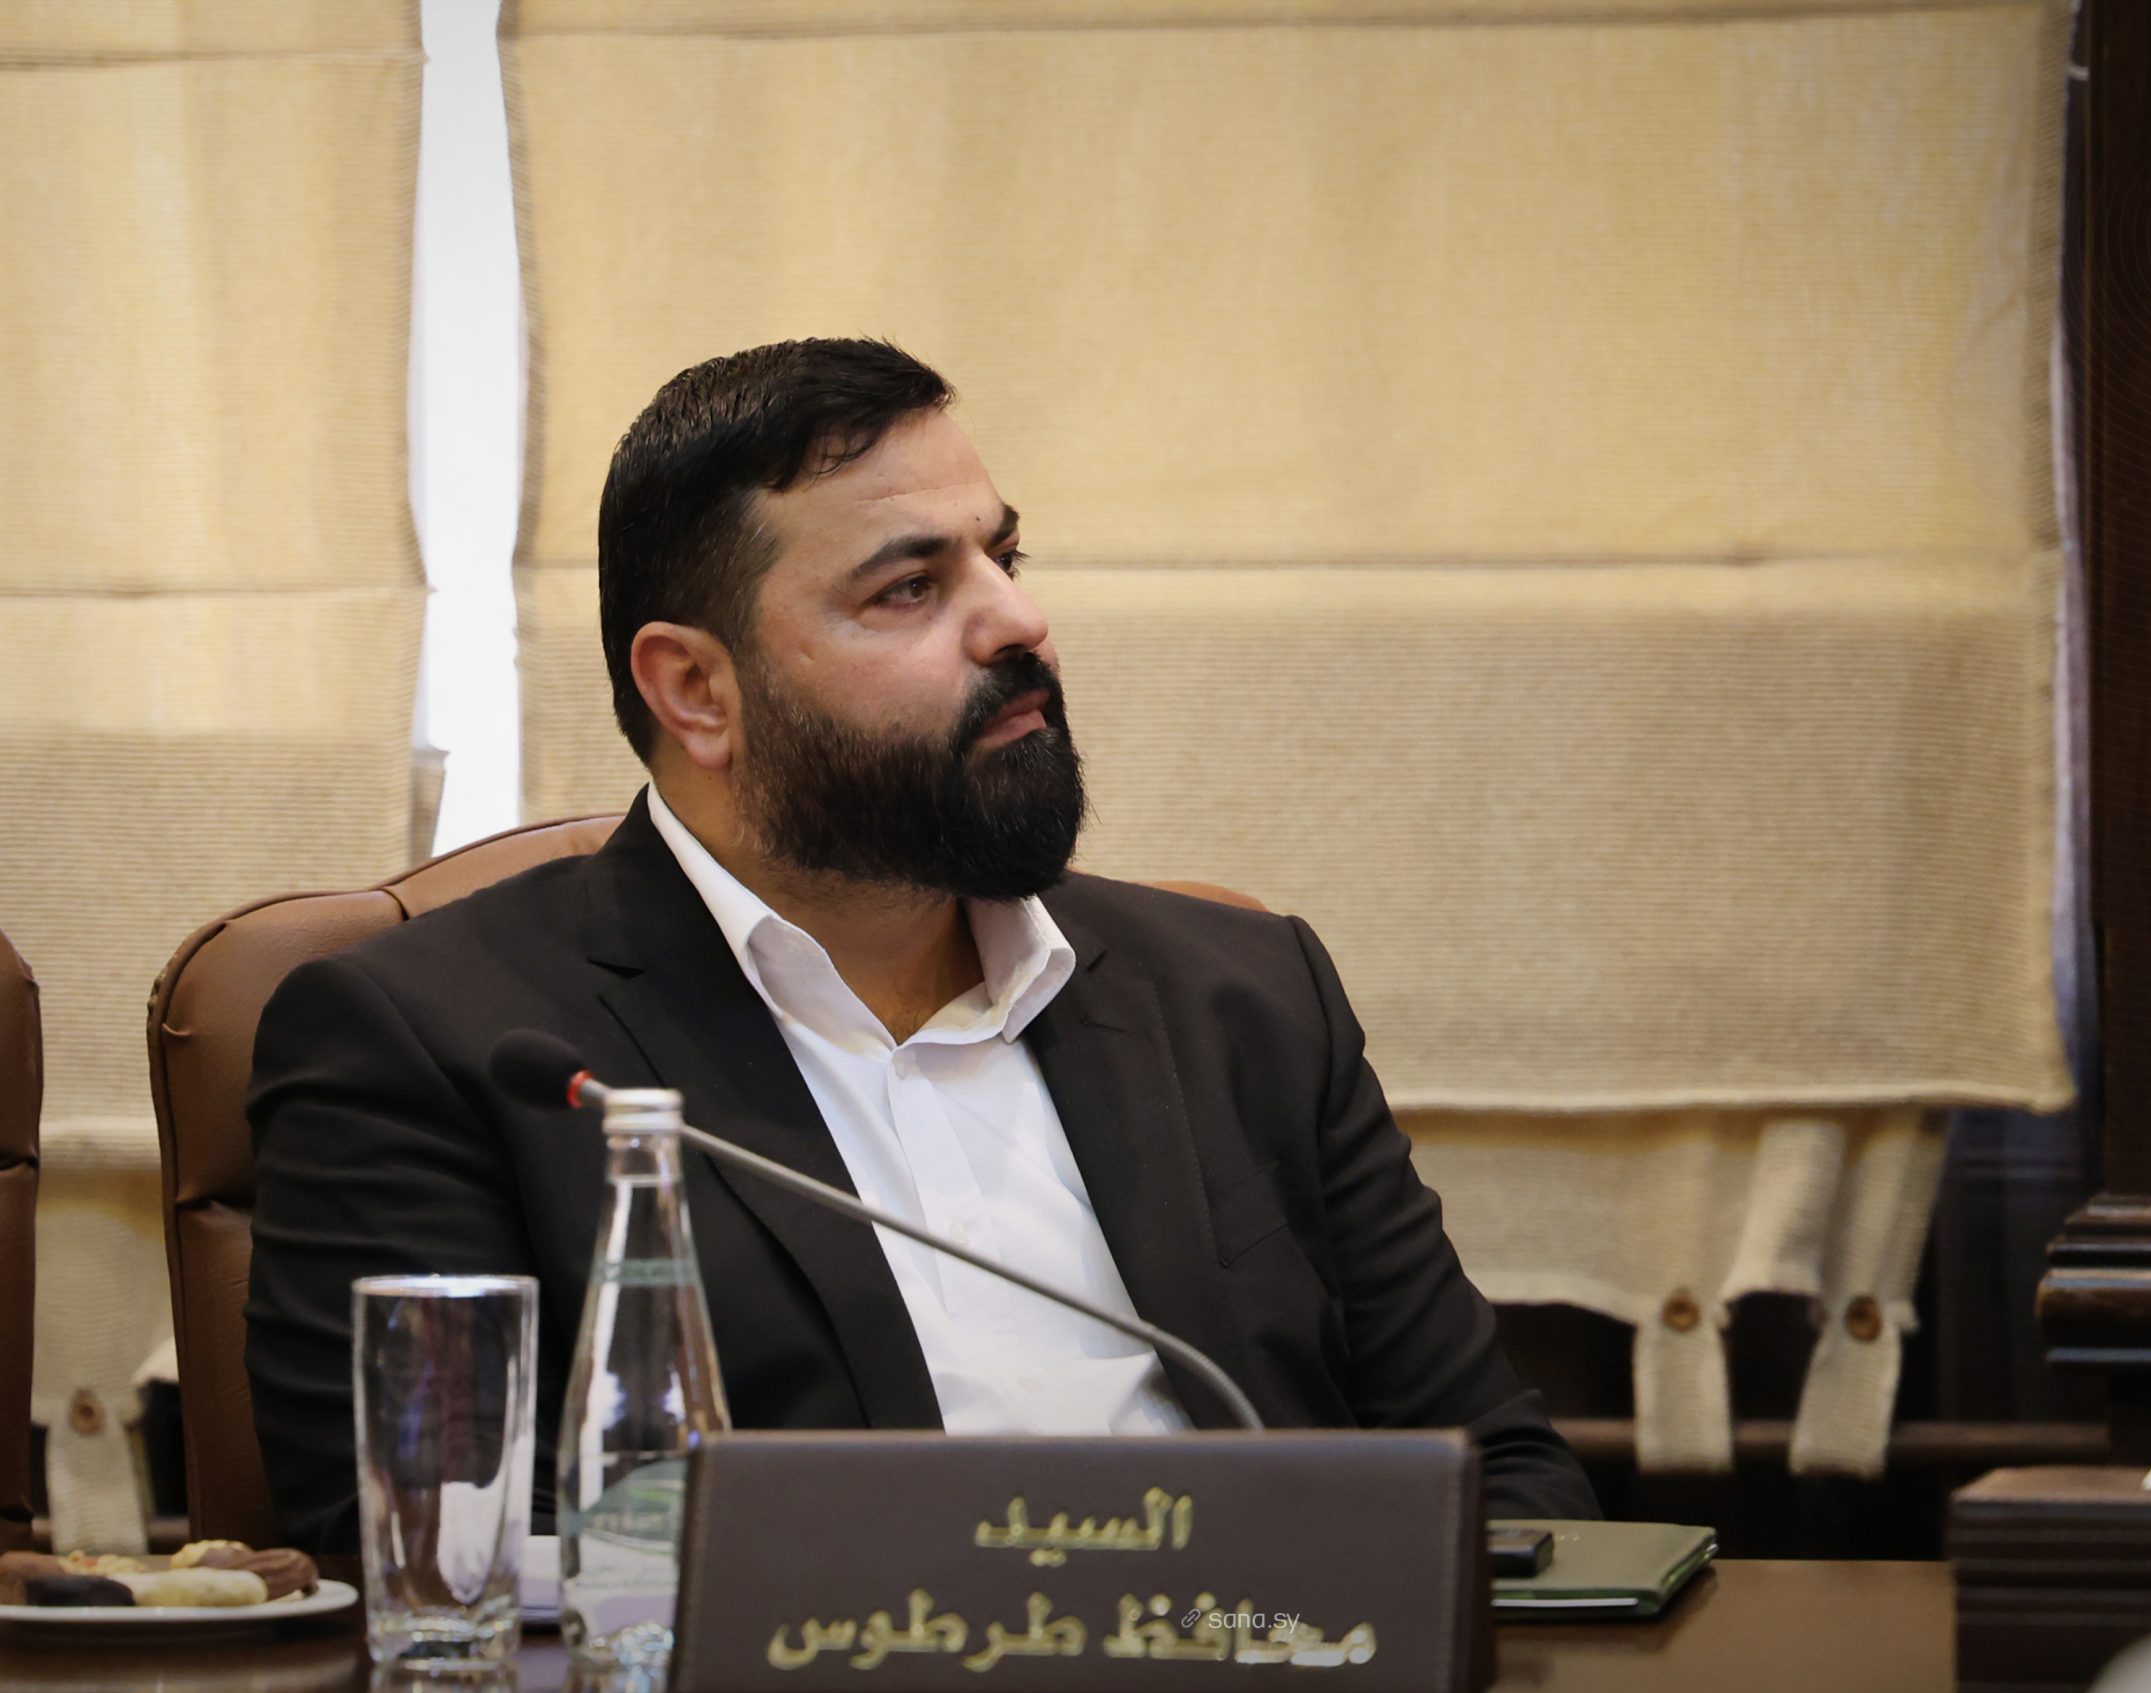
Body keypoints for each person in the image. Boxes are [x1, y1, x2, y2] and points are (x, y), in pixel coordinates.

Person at [245, 338, 1598, 1550]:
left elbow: (1506, 1484)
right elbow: (434, 1562)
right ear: (697, 690)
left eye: (1005, 557)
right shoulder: (447, 1045)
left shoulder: (1245, 996)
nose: (1016, 620)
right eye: (910, 588)